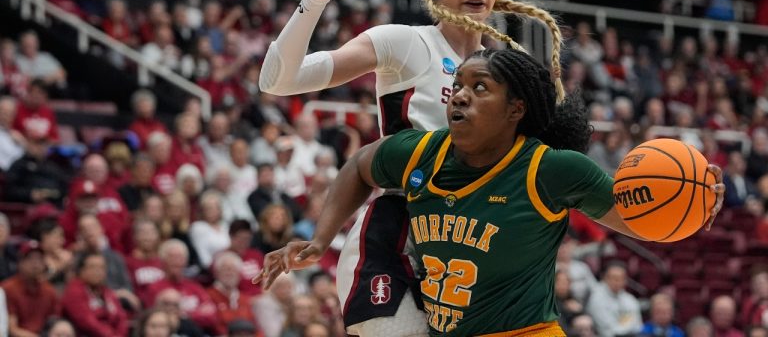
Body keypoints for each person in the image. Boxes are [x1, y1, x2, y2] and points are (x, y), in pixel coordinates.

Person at [257, 48, 726, 336]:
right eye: (457, 85)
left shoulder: (551, 169)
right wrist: (321, 238)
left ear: (515, 108)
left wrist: (690, 210)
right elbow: (360, 166)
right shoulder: (422, 153)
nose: (459, 95)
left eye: (480, 88)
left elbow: (636, 221)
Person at [258, 0, 570, 334]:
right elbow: (278, 80)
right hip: (395, 232)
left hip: (467, 244)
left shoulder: (510, 73)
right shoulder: (405, 43)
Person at [2, 240, 59, 337]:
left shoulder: (49, 290)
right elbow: (11, 329)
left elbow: (55, 322)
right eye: (30, 259)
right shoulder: (8, 289)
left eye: (39, 259)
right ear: (20, 262)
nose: (36, 264)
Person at [586, 261, 643, 337]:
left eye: (621, 278)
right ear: (605, 278)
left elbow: (637, 326)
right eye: (614, 278)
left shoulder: (630, 299)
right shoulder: (596, 298)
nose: (617, 281)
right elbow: (607, 330)